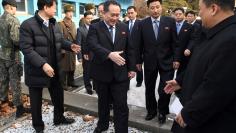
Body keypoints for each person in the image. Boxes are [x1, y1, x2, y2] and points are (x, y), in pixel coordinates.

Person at [164, 0, 236, 132]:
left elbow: (217, 88)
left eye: (200, 9)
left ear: (213, 9)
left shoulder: (231, 39)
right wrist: (181, 81)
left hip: (208, 123)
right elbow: (200, 64)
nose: (199, 14)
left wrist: (190, 113)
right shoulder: (212, 32)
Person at [19, 0, 80, 132]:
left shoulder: (53, 23)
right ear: (45, 7)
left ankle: (59, 118)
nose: (55, 10)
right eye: (54, 7)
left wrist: (70, 46)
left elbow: (59, 40)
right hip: (37, 69)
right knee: (36, 100)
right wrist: (43, 64)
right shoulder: (27, 25)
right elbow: (27, 49)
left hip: (55, 67)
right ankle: (38, 126)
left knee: (58, 95)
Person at [87, 1, 136, 132]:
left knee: (121, 106)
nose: (115, 18)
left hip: (120, 74)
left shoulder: (124, 28)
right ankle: (102, 126)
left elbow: (130, 49)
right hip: (102, 73)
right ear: (104, 13)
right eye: (112, 15)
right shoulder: (95, 27)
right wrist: (109, 54)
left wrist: (132, 68)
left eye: (117, 15)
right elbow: (92, 44)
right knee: (103, 104)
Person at [136, 0, 179, 123]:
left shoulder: (170, 22)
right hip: (149, 61)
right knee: (149, 88)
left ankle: (162, 111)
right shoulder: (142, 23)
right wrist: (138, 61)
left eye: (157, 7)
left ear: (161, 7)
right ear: (148, 9)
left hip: (167, 61)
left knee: (165, 89)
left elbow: (175, 42)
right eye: (152, 8)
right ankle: (151, 111)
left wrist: (176, 59)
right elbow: (139, 44)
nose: (155, 10)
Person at [0, 0, 30, 117]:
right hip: (13, 56)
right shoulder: (13, 19)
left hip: (2, 54)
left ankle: (3, 104)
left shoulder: (0, 18)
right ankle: (19, 109)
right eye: (15, 7)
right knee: (15, 82)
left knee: (3, 80)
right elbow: (16, 39)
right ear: (10, 7)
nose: (16, 10)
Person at [58, 4, 78, 89]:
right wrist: (62, 50)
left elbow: (75, 36)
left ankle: (71, 82)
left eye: (72, 12)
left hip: (72, 48)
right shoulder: (60, 24)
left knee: (72, 66)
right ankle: (63, 84)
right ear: (65, 13)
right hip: (65, 49)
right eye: (68, 12)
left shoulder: (73, 24)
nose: (71, 14)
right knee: (64, 67)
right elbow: (60, 38)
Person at [173, 7, 196, 75]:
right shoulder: (170, 26)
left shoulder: (190, 27)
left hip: (184, 55)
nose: (178, 16)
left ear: (183, 15)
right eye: (176, 14)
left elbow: (192, 39)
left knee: (181, 76)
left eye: (180, 14)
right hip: (171, 56)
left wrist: (189, 48)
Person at [125, 6, 143, 87]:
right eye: (128, 13)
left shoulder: (141, 24)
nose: (130, 15)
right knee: (127, 67)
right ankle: (127, 84)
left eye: (132, 13)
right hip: (127, 51)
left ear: (136, 13)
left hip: (138, 50)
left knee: (138, 67)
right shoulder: (124, 24)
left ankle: (139, 81)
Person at [76, 11, 94, 95]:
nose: (90, 20)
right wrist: (79, 56)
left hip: (95, 54)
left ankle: (96, 87)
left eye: (91, 18)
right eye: (88, 18)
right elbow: (78, 43)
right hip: (85, 55)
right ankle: (88, 87)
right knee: (86, 72)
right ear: (84, 18)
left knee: (95, 71)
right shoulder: (80, 29)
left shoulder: (95, 27)